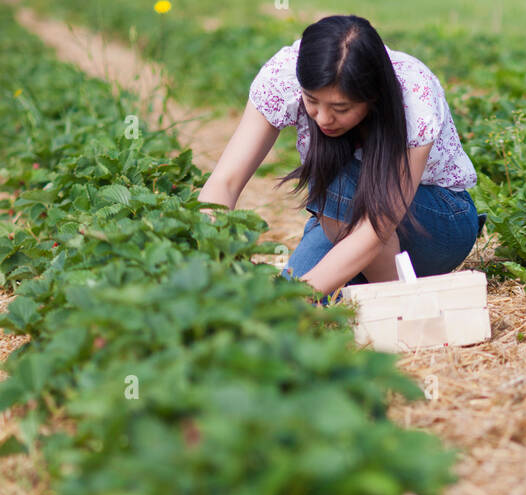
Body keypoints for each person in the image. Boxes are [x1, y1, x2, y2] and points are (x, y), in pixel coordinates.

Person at [197, 14, 484, 297]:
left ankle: (398, 305)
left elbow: (377, 228)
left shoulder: (412, 95)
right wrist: (215, 261)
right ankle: (372, 289)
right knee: (299, 290)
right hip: (343, 216)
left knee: (299, 292)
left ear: (373, 97)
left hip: (436, 221)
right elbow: (225, 182)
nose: (322, 118)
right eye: (311, 101)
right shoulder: (283, 75)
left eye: (341, 108)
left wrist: (295, 301)